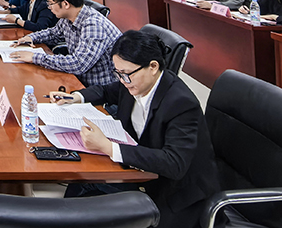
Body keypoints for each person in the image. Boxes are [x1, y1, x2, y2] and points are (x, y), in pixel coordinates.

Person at [51, 30, 219, 228]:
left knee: (92, 203)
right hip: (142, 173)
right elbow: (106, 91)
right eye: (118, 73)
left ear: (153, 67)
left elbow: (174, 163)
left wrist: (108, 147)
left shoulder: (181, 103)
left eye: (126, 74)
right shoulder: (134, 82)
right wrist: (75, 97)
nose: (123, 81)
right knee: (81, 185)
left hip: (173, 195)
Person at [10, 0, 121, 86]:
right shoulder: (68, 18)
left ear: (66, 4)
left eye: (50, 3)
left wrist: (34, 57)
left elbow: (78, 64)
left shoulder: (93, 25)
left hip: (99, 88)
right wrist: (31, 37)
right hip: (78, 80)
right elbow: (53, 34)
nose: (49, 7)